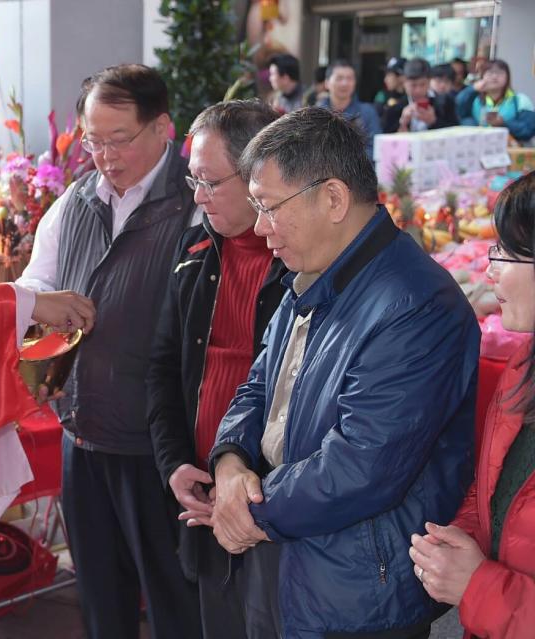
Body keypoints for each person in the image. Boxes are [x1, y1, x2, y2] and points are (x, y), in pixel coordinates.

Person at [207, 107, 479, 639]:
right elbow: (258, 384)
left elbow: (362, 467)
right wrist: (231, 464)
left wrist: (247, 509)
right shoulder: (309, 274)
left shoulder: (416, 304)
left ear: (332, 198)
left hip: (357, 586)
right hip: (286, 547)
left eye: (268, 207)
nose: (260, 228)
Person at [14, 64, 200, 638]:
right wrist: (40, 315)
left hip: (161, 448)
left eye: (120, 139)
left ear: (163, 128)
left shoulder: (197, 207)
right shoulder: (74, 203)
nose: (105, 155)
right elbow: (36, 285)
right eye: (93, 140)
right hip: (82, 432)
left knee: (176, 600)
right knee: (99, 599)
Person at [147, 99, 286, 639]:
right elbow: (162, 365)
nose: (198, 197)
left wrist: (252, 493)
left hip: (270, 505)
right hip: (202, 493)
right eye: (193, 179)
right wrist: (175, 463)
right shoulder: (197, 247)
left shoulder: (297, 258)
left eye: (210, 182)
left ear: (257, 176)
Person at [410, 172, 535, 639]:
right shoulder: (524, 366)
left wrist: (477, 584)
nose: (490, 270)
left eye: (508, 251)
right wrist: (459, 540)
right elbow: (493, 490)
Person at [455, 58, 535, 145]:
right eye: (489, 73)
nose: (494, 77)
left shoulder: (520, 100)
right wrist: (472, 89)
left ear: (507, 77)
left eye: (500, 73)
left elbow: (528, 130)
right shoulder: (473, 99)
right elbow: (458, 107)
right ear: (482, 77)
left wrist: (504, 123)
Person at [318, 59, 381, 159]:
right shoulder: (316, 113)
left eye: (349, 78)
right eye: (339, 78)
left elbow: (374, 149)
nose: (345, 83)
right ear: (327, 83)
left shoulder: (368, 112)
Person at [382, 57, 459, 133]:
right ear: (404, 83)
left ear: (429, 82)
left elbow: (455, 132)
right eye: (413, 85)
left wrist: (434, 121)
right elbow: (385, 137)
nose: (418, 90)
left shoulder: (445, 103)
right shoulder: (395, 108)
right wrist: (402, 123)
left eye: (422, 84)